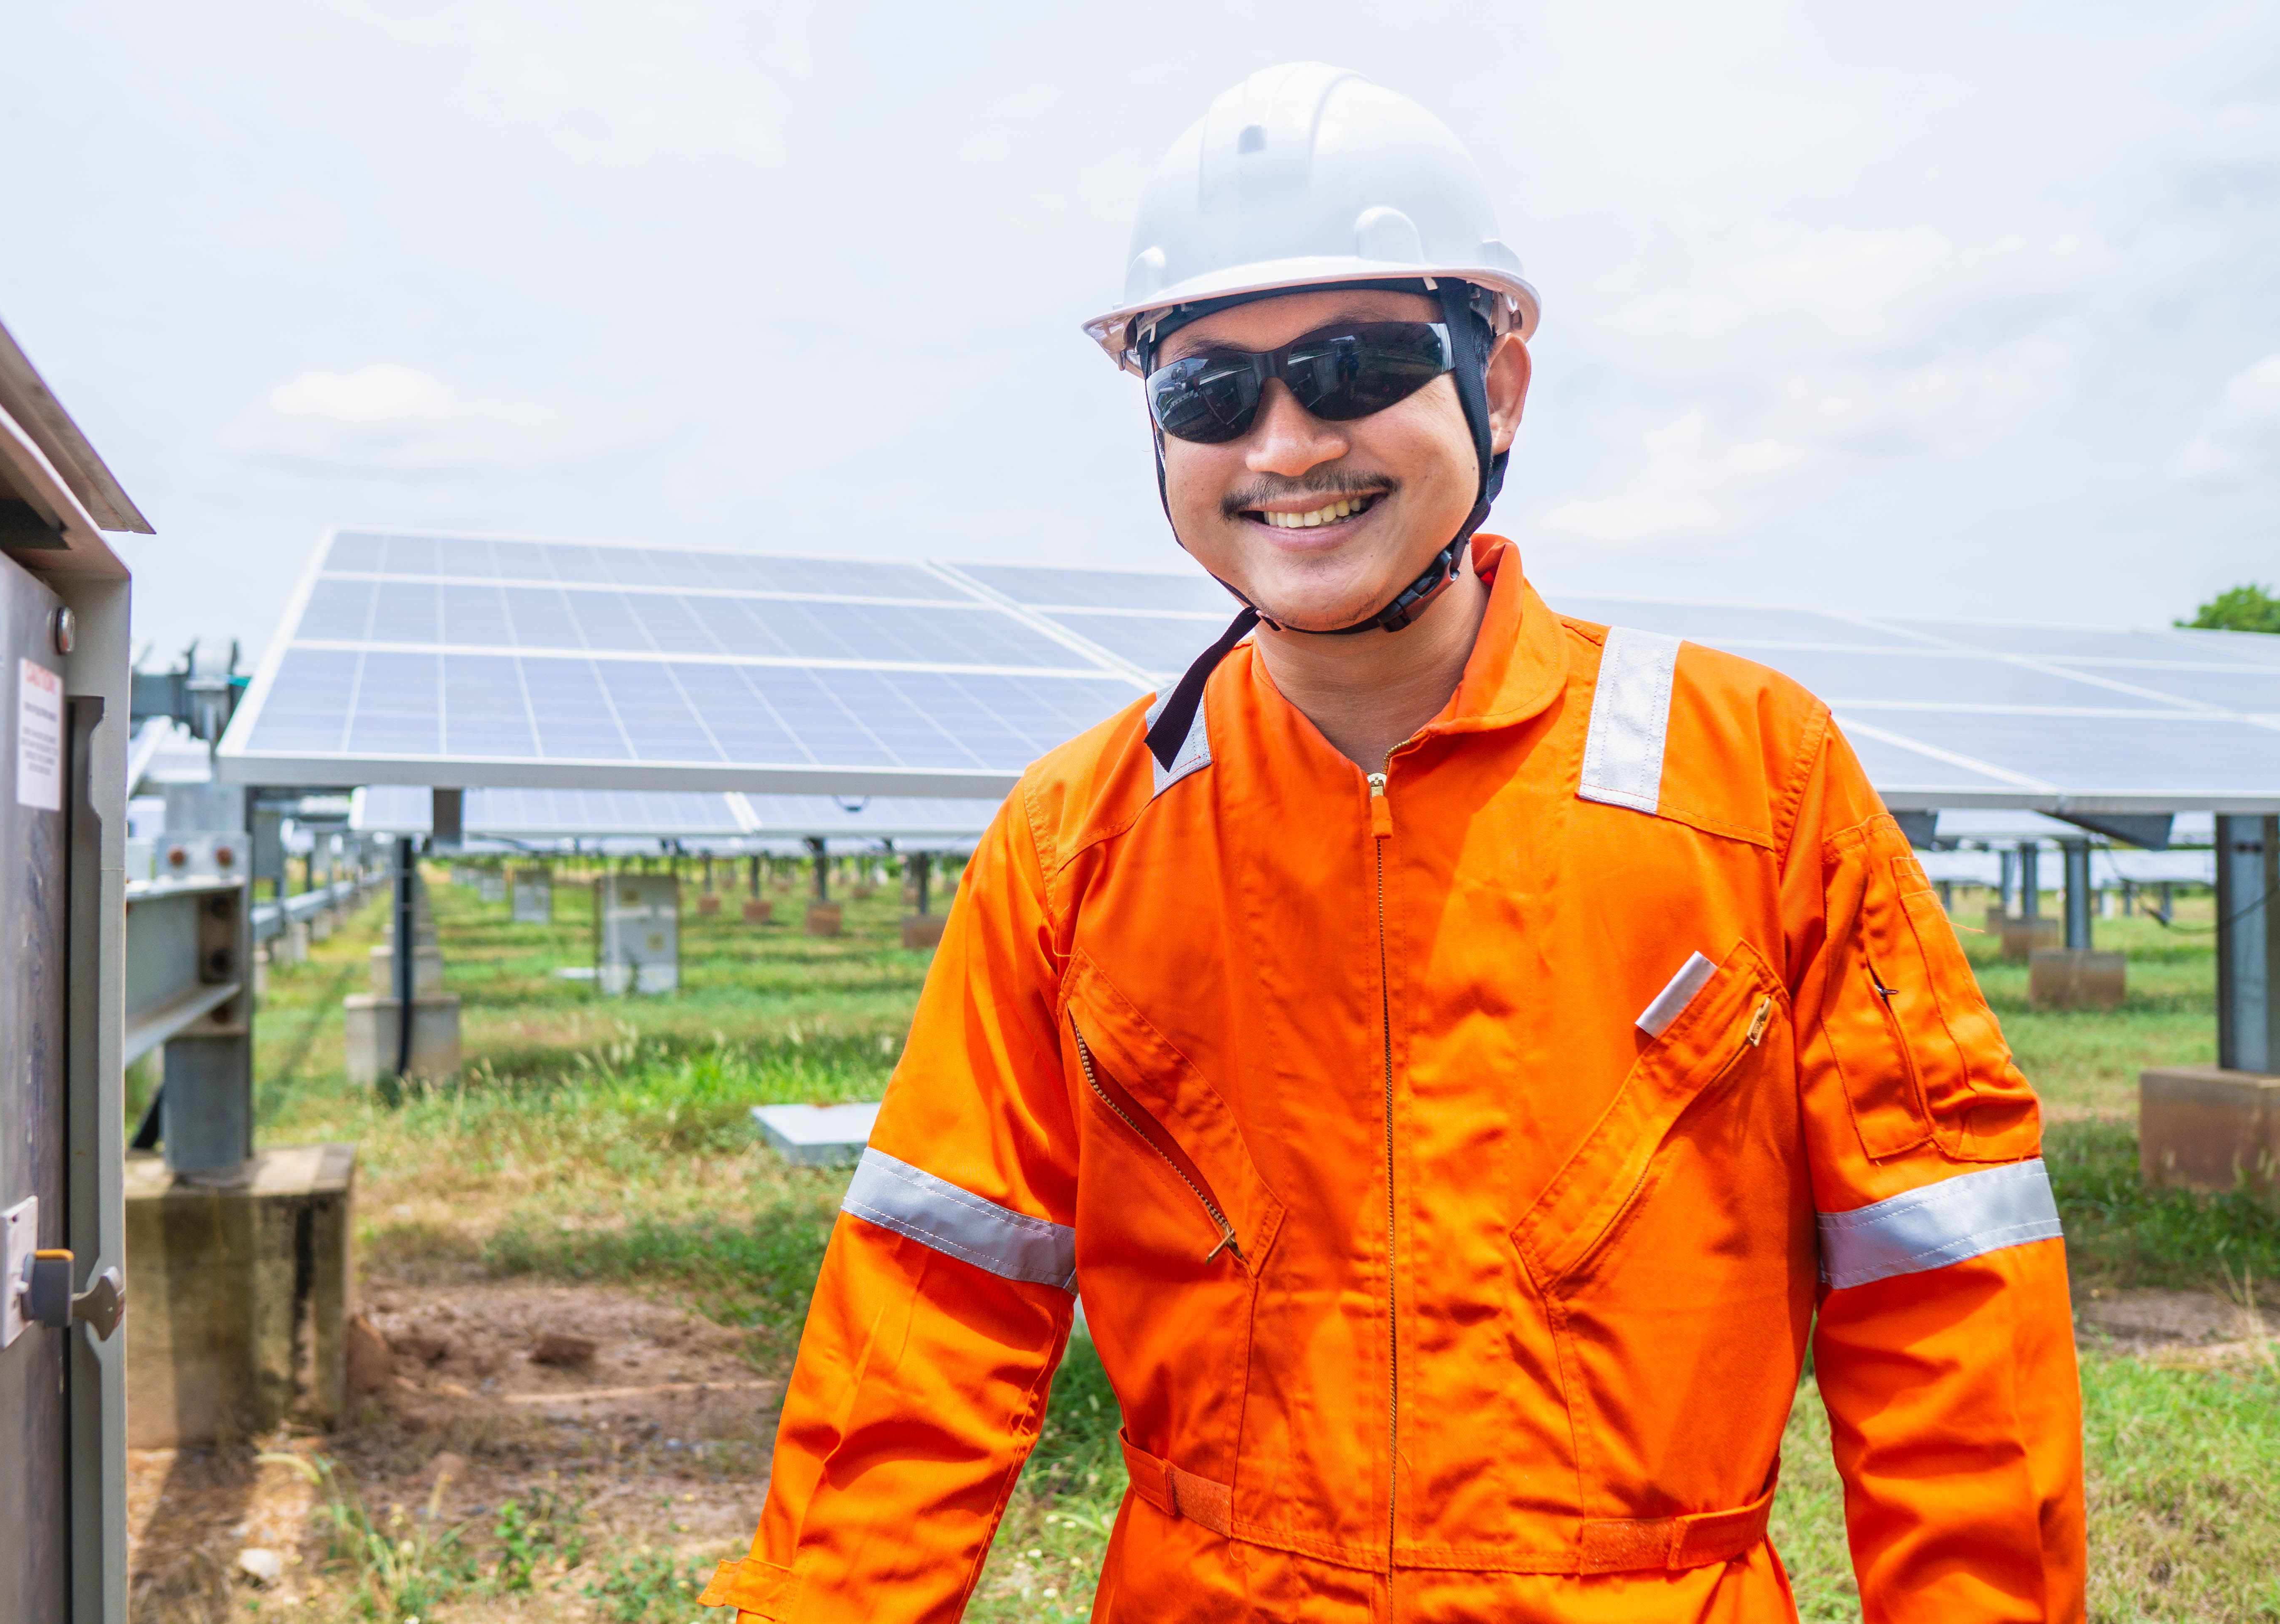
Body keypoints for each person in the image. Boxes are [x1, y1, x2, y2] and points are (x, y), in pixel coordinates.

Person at [702, 62, 2083, 1623]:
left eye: (1357, 366)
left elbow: (1948, 1302)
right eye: (1210, 392)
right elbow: (925, 1319)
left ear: (1497, 389)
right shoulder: (1072, 844)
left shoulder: (1752, 781)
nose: (1288, 445)